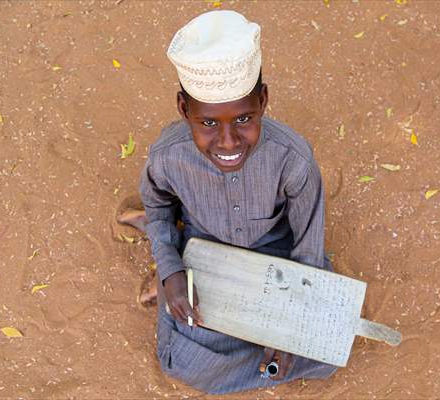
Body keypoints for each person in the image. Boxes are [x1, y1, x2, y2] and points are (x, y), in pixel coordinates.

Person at [118, 10, 337, 394]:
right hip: (205, 252)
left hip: (275, 256)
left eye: (243, 119)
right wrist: (170, 270)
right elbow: (159, 204)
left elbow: (308, 251)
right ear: (185, 109)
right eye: (207, 123)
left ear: (263, 101)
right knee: (186, 364)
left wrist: (287, 325)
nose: (228, 142)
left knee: (326, 348)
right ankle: (168, 250)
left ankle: (169, 251)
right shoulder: (168, 157)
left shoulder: (293, 159)